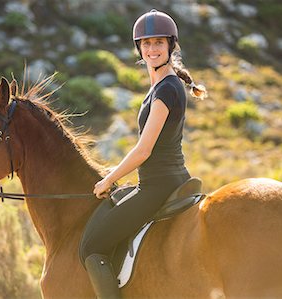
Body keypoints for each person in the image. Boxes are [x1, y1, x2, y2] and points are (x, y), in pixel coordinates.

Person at [80, 9, 207, 298]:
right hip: (166, 179)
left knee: (91, 247)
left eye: (158, 43)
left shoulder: (166, 90)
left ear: (170, 46)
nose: (152, 49)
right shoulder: (164, 85)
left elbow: (144, 150)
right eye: (146, 44)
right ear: (139, 48)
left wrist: (108, 179)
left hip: (158, 186)